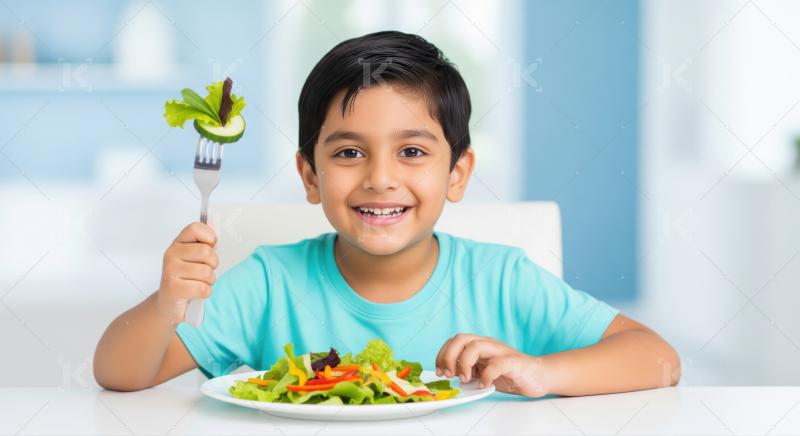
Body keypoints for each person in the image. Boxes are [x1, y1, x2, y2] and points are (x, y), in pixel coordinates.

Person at [94, 31, 680, 396]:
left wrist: (542, 372)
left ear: (458, 174)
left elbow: (658, 358)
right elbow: (120, 373)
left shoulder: (503, 280)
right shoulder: (268, 284)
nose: (379, 178)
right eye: (348, 152)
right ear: (309, 176)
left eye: (412, 152)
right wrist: (166, 303)